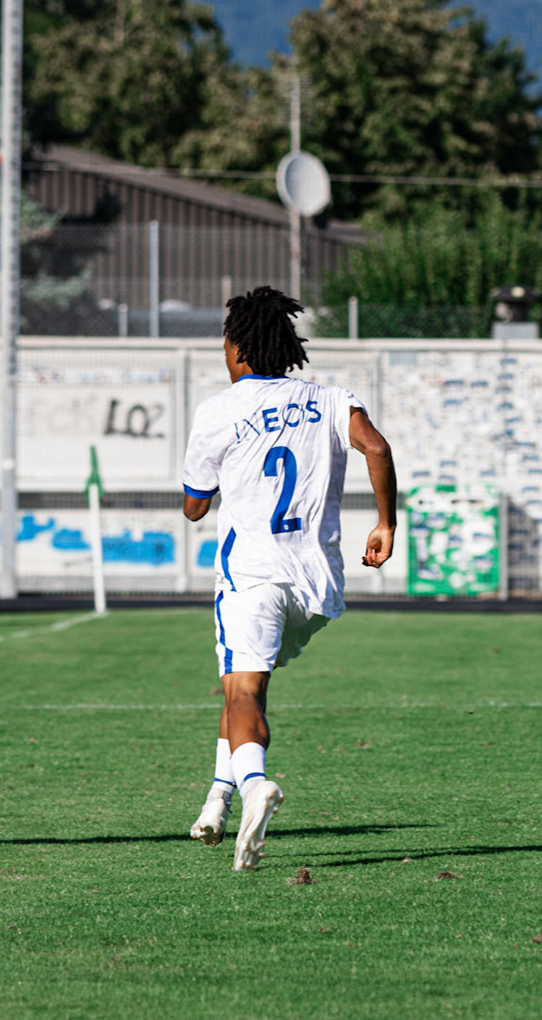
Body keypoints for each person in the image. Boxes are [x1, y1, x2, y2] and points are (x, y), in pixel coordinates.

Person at [178, 286, 399, 870]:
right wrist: (385, 523)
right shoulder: (330, 398)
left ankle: (254, 787)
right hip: (317, 585)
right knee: (247, 686)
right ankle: (217, 801)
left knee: (242, 690)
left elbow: (195, 506)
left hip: (252, 573)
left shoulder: (219, 409)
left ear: (237, 351)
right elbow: (375, 446)